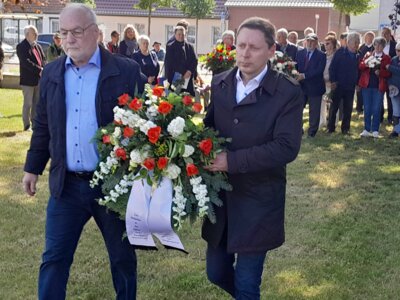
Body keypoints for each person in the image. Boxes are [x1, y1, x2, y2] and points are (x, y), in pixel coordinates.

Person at [22, 4, 143, 299]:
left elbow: (143, 125)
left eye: (76, 31)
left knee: (122, 258)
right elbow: (43, 125)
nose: (69, 39)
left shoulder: (125, 71)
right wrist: (32, 167)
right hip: (67, 186)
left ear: (95, 33)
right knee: (54, 259)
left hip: (112, 186)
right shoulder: (51, 72)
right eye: (63, 33)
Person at [202, 17, 303, 299]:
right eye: (241, 45)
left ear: (272, 51)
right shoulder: (221, 82)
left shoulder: (287, 92)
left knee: (247, 284)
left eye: (254, 48)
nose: (244, 54)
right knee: (216, 272)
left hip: (259, 200)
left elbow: (286, 147)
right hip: (221, 200)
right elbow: (209, 126)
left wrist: (230, 161)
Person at [328, 32, 360, 135]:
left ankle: (345, 129)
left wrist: (357, 83)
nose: (357, 45)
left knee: (348, 108)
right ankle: (331, 128)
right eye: (355, 42)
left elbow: (359, 71)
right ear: (349, 42)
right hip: (338, 85)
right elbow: (332, 68)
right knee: (334, 108)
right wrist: (333, 81)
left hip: (350, 86)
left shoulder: (358, 55)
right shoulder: (340, 52)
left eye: (358, 42)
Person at [358, 37, 391, 138]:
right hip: (366, 85)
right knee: (367, 108)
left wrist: (380, 72)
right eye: (376, 44)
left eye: (380, 45)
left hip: (379, 87)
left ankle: (375, 130)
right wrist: (367, 63)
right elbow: (361, 66)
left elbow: (389, 73)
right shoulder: (368, 54)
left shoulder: (387, 58)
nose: (377, 47)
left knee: (376, 108)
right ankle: (367, 129)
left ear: (383, 47)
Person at [295, 33, 326, 137]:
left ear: (316, 43)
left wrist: (304, 76)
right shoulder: (299, 53)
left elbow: (318, 71)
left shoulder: (321, 55)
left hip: (315, 87)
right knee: (298, 109)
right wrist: (295, 74)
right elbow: (296, 67)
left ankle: (312, 132)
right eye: (308, 41)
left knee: (314, 111)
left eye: (312, 41)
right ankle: (299, 130)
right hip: (301, 87)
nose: (310, 43)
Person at [17, 25, 46, 131]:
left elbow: (43, 59)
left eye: (36, 33)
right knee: (28, 103)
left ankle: (34, 123)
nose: (36, 35)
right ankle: (26, 125)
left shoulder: (37, 46)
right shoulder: (21, 46)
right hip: (27, 81)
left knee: (36, 103)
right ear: (27, 34)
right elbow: (26, 62)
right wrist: (40, 69)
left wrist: (45, 67)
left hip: (38, 80)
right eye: (34, 33)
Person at [164, 26, 197, 96]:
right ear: (175, 35)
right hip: (174, 78)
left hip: (187, 77)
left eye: (183, 34)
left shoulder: (190, 47)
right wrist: (167, 79)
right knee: (175, 98)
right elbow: (167, 64)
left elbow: (194, 60)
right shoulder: (170, 47)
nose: (181, 36)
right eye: (179, 34)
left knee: (188, 99)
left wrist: (189, 71)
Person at [320, 35, 338, 129]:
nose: (326, 45)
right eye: (325, 44)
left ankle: (333, 122)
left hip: (333, 83)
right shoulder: (322, 55)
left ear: (333, 44)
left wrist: (333, 82)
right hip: (322, 82)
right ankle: (322, 121)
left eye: (328, 43)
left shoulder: (337, 56)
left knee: (332, 103)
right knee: (322, 102)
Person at [356, 31, 375, 114]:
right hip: (360, 72)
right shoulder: (361, 47)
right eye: (367, 37)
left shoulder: (374, 48)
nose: (368, 39)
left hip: (369, 73)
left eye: (370, 37)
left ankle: (368, 108)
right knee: (359, 92)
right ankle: (359, 108)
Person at [382, 27, 396, 124]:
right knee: (379, 97)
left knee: (390, 97)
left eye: (386, 33)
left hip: (391, 76)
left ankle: (390, 117)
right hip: (380, 75)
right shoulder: (378, 44)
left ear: (389, 34)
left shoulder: (395, 46)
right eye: (383, 33)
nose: (384, 35)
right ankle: (380, 116)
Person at [387, 41, 400, 138]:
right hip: (394, 89)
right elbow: (389, 75)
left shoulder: (392, 63)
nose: (398, 52)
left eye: (399, 50)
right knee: (395, 111)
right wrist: (389, 85)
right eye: (397, 50)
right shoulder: (394, 59)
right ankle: (395, 131)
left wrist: (390, 67)